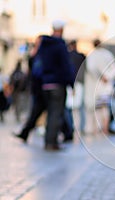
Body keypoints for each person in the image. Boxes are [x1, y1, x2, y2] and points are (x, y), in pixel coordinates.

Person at [35, 20, 75, 150]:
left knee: (51, 113)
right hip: (57, 84)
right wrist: (71, 82)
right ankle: (51, 142)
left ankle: (49, 140)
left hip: (45, 83)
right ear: (61, 29)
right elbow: (65, 66)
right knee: (56, 114)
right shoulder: (60, 45)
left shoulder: (44, 45)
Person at [85, 39, 115, 134]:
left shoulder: (92, 55)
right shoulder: (107, 54)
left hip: (98, 87)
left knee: (100, 108)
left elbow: (91, 68)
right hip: (106, 87)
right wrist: (107, 77)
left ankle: (101, 128)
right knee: (105, 108)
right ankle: (105, 128)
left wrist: (101, 76)